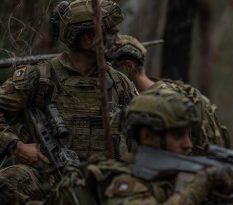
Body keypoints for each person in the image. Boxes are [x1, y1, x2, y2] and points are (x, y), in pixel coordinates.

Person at [0, 0, 138, 203]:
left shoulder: (119, 83)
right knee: (10, 180)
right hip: (48, 178)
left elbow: (146, 128)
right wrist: (17, 146)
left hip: (103, 184)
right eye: (111, 33)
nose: (118, 40)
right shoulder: (40, 77)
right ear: (89, 37)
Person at [46, 88, 233, 205]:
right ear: (147, 136)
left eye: (188, 135)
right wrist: (198, 187)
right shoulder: (121, 183)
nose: (188, 145)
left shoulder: (171, 179)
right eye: (178, 135)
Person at [109, 34, 230, 155]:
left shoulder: (165, 103)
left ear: (129, 66)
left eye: (112, 69)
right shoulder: (172, 93)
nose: (110, 77)